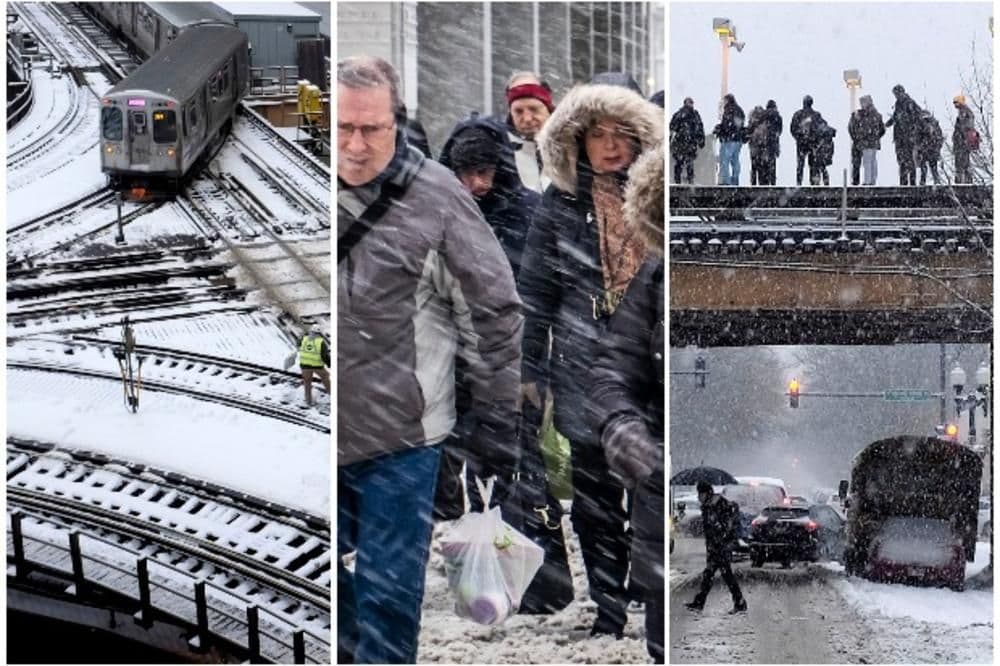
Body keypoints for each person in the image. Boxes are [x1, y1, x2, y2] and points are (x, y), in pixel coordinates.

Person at [337, 56, 523, 664]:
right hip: (322, 426)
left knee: (387, 606)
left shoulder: (436, 197)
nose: (357, 145)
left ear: (398, 123)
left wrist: (496, 419)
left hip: (402, 439)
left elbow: (492, 309)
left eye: (372, 129)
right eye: (344, 128)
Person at [519, 73, 662, 639]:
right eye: (595, 133)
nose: (608, 145)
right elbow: (534, 292)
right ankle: (608, 607)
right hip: (579, 372)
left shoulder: (656, 199)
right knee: (594, 503)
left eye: (620, 132)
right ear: (576, 140)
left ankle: (641, 595)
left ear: (639, 137)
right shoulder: (559, 206)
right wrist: (529, 368)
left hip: (642, 375)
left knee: (645, 495)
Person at [436, 115, 543, 516]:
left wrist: (532, 366)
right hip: (458, 360)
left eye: (484, 172)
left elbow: (538, 295)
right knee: (468, 463)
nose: (475, 185)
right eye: (466, 174)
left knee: (510, 469)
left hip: (508, 361)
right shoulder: (439, 215)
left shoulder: (527, 213)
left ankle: (504, 539)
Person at [588, 141, 665, 662]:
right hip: (652, 485)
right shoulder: (656, 276)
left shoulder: (658, 273)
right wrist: (622, 428)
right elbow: (614, 370)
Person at [684, 480, 747, 614]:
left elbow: (725, 527)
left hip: (722, 546)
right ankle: (738, 602)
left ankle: (738, 602)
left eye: (700, 494)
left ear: (707, 493)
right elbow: (708, 529)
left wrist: (718, 530)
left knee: (718, 575)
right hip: (714, 547)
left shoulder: (720, 505)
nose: (698, 497)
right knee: (716, 575)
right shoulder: (707, 506)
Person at [504, 71, 554, 193]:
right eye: (518, 111)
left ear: (548, 108)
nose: (527, 119)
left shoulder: (571, 145)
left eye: (533, 109)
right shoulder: (502, 151)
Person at [885, 84, 921, 186]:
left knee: (909, 159)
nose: (896, 96)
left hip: (908, 136)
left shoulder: (910, 103)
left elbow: (918, 115)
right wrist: (887, 124)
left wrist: (912, 127)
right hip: (899, 137)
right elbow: (895, 117)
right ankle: (903, 182)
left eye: (896, 94)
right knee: (901, 160)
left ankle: (912, 182)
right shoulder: (898, 104)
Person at [848, 95, 885, 185]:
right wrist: (876, 136)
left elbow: (858, 128)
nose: (861, 105)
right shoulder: (877, 115)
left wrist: (859, 137)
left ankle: (867, 181)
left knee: (867, 161)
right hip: (874, 142)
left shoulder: (864, 115)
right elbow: (882, 129)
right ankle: (872, 180)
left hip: (866, 142)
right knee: (873, 160)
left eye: (862, 103)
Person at [669, 97, 705, 184]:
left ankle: (678, 181)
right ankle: (690, 180)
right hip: (690, 143)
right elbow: (700, 128)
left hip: (680, 143)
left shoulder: (679, 114)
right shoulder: (695, 115)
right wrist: (701, 140)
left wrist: (671, 141)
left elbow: (672, 128)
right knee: (689, 163)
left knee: (679, 163)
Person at [790, 95, 824, 185]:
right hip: (813, 143)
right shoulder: (816, 115)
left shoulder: (798, 114)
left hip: (801, 143)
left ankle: (799, 183)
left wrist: (798, 137)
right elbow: (822, 127)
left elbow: (792, 129)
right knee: (813, 165)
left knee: (800, 165)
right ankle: (813, 183)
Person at [713, 93, 745, 185]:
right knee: (735, 160)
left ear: (727, 100)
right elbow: (740, 124)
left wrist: (720, 129)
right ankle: (735, 180)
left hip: (729, 139)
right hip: (738, 139)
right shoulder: (739, 110)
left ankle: (726, 181)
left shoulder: (728, 110)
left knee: (725, 160)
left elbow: (727, 125)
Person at [298, 323, 330, 406]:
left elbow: (298, 345)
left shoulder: (304, 339)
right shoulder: (321, 342)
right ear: (319, 333)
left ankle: (308, 401)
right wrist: (330, 364)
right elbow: (325, 356)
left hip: (304, 366)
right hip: (317, 366)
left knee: (307, 383)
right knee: (326, 378)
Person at [953, 94, 976, 184]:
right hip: (962, 142)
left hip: (962, 142)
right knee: (964, 162)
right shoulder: (966, 112)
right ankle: (966, 179)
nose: (955, 105)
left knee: (961, 162)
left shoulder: (964, 112)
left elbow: (964, 127)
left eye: (956, 102)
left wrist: (960, 136)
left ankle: (962, 180)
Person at [916, 110, 944, 185]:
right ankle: (936, 182)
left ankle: (923, 182)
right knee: (933, 168)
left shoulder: (921, 125)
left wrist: (920, 148)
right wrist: (937, 147)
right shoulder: (935, 124)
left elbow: (918, 138)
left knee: (924, 168)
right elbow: (940, 138)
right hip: (932, 149)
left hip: (926, 149)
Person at [746, 105, 770, 186]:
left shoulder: (752, 122)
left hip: (754, 147)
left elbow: (748, 133)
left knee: (754, 166)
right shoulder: (765, 122)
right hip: (762, 147)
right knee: (763, 167)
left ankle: (753, 183)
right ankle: (763, 183)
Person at [763, 99, 783, 185]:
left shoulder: (763, 115)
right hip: (774, 141)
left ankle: (765, 181)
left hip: (764, 140)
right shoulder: (778, 116)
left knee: (764, 162)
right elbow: (780, 130)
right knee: (772, 161)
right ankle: (773, 181)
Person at [812, 119, 836, 186]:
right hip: (827, 151)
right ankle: (826, 182)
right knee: (823, 167)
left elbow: (814, 141)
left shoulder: (819, 131)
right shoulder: (829, 132)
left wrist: (815, 149)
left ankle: (817, 182)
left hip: (820, 152)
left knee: (817, 167)